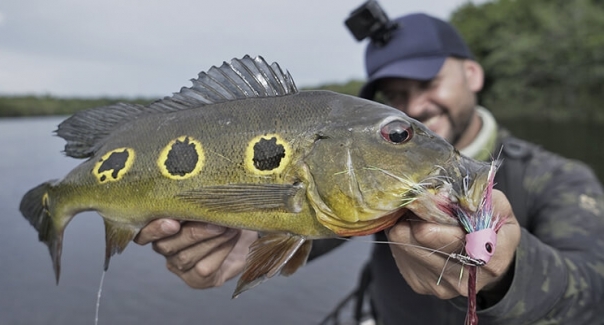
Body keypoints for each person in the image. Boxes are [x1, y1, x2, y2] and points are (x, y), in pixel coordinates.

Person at [134, 13, 604, 325]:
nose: (416, 104)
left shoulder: (560, 179)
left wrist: (506, 274)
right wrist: (243, 245)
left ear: (473, 74)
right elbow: (309, 229)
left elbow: (594, 292)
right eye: (395, 98)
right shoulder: (371, 176)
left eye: (428, 82)